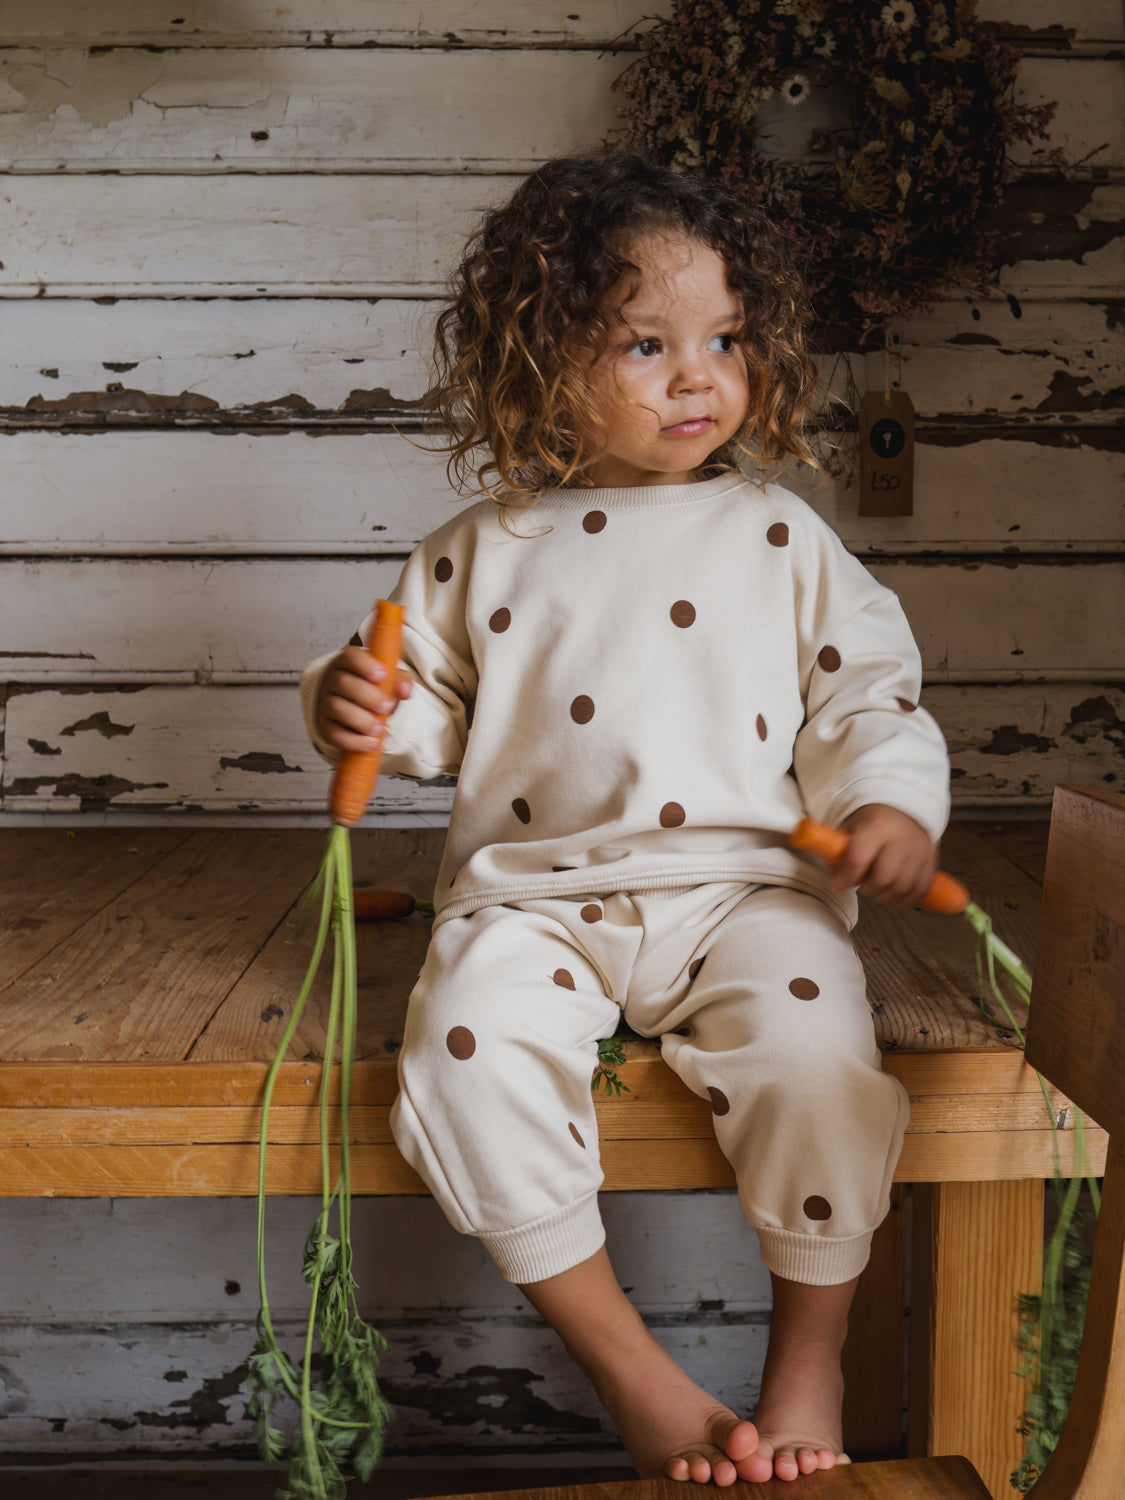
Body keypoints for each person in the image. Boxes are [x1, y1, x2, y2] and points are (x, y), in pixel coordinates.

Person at [301, 149, 950, 1485]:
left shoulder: (780, 537)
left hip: (743, 898)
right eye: (645, 344)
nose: (696, 376)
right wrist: (352, 706)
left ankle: (807, 1350)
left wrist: (888, 804)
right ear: (543, 360)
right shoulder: (488, 545)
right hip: (534, 900)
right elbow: (412, 698)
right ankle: (631, 1371)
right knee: (460, 1058)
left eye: (724, 340)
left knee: (823, 1059)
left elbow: (864, 696)